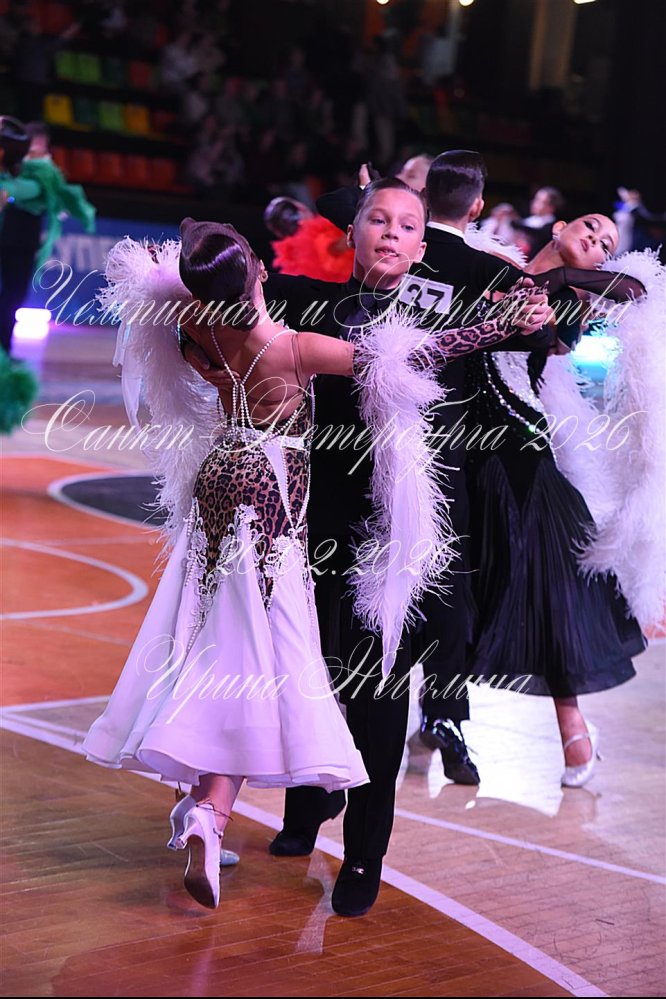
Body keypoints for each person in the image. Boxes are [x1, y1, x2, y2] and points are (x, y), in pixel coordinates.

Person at [82, 209, 550, 912]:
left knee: (215, 635)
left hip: (217, 483)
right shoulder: (291, 345)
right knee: (265, 646)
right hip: (270, 498)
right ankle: (215, 806)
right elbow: (406, 359)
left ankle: (206, 801)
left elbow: (174, 287)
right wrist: (495, 327)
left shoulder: (199, 327)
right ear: (259, 273)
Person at [463, 212, 653, 786]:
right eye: (591, 227)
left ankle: (572, 729)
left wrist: (558, 278)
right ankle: (438, 714)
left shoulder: (568, 303)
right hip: (459, 447)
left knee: (549, 592)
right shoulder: (490, 267)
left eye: (605, 245)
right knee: (462, 589)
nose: (595, 239)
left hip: (522, 455)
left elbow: (636, 290)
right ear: (560, 225)